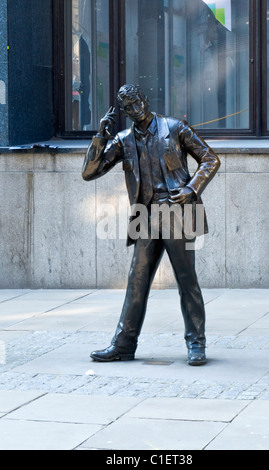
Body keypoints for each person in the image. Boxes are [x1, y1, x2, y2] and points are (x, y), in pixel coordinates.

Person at [82, 84, 221, 366]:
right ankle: (123, 344)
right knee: (137, 280)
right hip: (145, 217)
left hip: (176, 213)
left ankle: (196, 343)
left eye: (137, 104)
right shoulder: (123, 139)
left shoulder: (175, 128)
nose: (135, 110)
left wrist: (192, 189)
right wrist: (100, 136)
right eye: (128, 108)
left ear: (145, 100)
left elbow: (210, 159)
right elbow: (89, 172)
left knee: (186, 279)